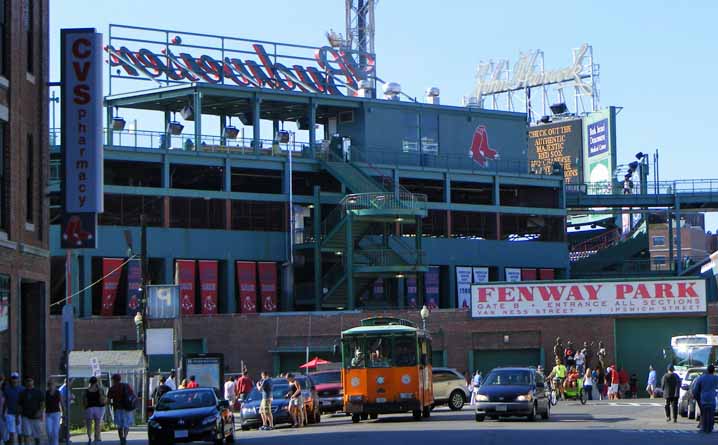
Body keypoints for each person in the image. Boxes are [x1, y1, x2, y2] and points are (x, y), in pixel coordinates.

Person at [107, 374, 136, 445]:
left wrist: (110, 404)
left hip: (118, 408)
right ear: (120, 379)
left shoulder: (112, 388)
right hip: (127, 408)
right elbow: (132, 395)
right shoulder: (126, 386)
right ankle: (125, 437)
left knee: (119, 425)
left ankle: (121, 439)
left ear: (113, 380)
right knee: (126, 425)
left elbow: (108, 400)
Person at [18, 377, 44, 445]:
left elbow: (42, 403)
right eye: (27, 382)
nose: (29, 383)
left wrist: (40, 412)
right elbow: (20, 405)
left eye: (30, 382)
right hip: (25, 416)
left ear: (33, 383)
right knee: (27, 435)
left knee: (37, 436)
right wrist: (18, 416)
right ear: (25, 384)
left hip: (35, 416)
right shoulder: (22, 393)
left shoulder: (38, 392)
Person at [692, 364, 718, 433]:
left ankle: (703, 425)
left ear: (707, 370)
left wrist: (695, 395)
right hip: (712, 398)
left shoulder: (701, 378)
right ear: (713, 371)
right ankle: (711, 425)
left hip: (703, 398)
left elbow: (695, 389)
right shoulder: (715, 378)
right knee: (712, 413)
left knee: (703, 412)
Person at [83, 376, 105, 445]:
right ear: (96, 382)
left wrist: (85, 407)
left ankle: (89, 437)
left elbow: (84, 400)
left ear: (90, 382)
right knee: (97, 424)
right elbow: (101, 399)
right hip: (97, 408)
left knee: (89, 424)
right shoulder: (99, 390)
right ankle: (96, 437)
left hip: (89, 408)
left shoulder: (87, 390)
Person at [3, 372, 24, 445]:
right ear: (11, 379)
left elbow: (22, 403)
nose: (14, 380)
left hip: (19, 414)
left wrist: (18, 415)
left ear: (18, 379)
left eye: (16, 378)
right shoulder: (7, 389)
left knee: (19, 433)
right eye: (13, 378)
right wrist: (3, 413)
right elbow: (5, 401)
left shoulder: (22, 389)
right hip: (10, 414)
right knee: (11, 433)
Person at [45, 381, 62, 445]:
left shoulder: (58, 393)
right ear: (48, 387)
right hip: (48, 414)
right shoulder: (46, 393)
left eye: (52, 385)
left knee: (55, 432)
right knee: (49, 431)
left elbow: (61, 402)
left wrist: (64, 413)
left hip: (56, 413)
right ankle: (50, 443)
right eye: (49, 386)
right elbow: (44, 404)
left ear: (54, 386)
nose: (51, 387)